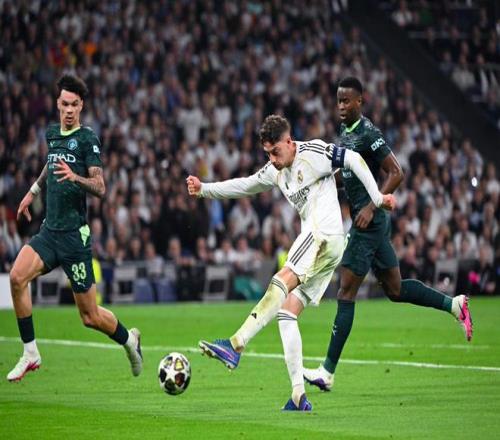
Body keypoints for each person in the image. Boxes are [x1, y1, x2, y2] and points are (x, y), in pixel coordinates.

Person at [186, 114, 396, 411]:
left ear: (289, 141)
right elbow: (245, 185)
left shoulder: (313, 152)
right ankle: (298, 395)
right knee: (286, 312)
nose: (272, 159)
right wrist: (204, 189)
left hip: (322, 235)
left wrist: (377, 198)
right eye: (267, 154)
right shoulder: (276, 170)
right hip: (326, 245)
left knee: (281, 279)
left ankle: (235, 344)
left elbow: (354, 159)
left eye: (276, 152)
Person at [303, 77, 473, 392]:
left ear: (360, 101)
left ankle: (327, 371)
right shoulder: (346, 131)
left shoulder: (369, 133)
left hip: (369, 223)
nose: (341, 106)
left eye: (347, 101)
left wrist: (372, 206)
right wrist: (323, 181)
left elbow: (396, 172)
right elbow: (350, 172)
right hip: (372, 223)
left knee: (345, 292)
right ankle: (454, 305)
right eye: (339, 101)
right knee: (394, 289)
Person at [7, 74, 143, 382]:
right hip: (49, 232)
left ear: (81, 106)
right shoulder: (52, 134)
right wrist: (33, 191)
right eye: (65, 104)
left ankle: (129, 340)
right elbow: (50, 164)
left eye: (75, 105)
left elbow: (100, 186)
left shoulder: (87, 139)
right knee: (16, 278)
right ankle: (30, 352)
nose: (69, 110)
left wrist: (75, 177)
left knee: (89, 316)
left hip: (74, 238)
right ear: (58, 103)